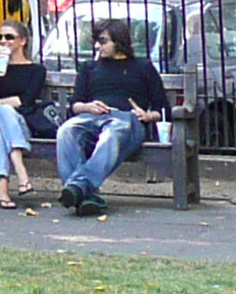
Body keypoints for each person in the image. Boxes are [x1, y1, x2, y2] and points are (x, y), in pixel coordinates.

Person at [55, 18, 169, 218]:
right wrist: (88, 106)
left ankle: (77, 186)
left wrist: (147, 115)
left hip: (127, 119)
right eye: (97, 41)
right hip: (92, 117)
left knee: (113, 133)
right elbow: (75, 104)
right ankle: (87, 196)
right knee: (66, 131)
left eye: (103, 41)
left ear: (119, 41)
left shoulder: (142, 66)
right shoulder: (89, 67)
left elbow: (163, 107)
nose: (98, 46)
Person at [0, 23, 50, 210]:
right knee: (3, 113)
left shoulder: (36, 70)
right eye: (0, 37)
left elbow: (25, 101)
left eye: (9, 37)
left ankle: (3, 192)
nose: (3, 41)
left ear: (23, 41)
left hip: (19, 125)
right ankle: (21, 173)